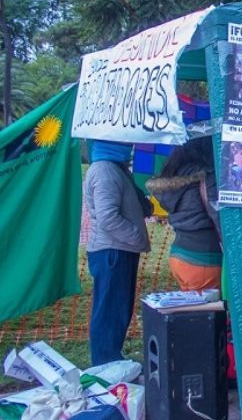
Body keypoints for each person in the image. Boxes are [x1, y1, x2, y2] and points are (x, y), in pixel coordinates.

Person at [84, 140, 152, 365]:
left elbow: (131, 206)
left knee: (118, 309)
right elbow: (108, 218)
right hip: (112, 252)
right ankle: (105, 364)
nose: (129, 145)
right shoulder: (105, 170)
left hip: (118, 249)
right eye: (124, 141)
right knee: (110, 312)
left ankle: (111, 358)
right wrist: (136, 236)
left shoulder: (115, 167)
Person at [146, 136, 222, 291]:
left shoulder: (173, 176)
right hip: (205, 258)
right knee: (206, 306)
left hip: (179, 254)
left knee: (192, 304)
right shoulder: (207, 177)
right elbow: (220, 218)